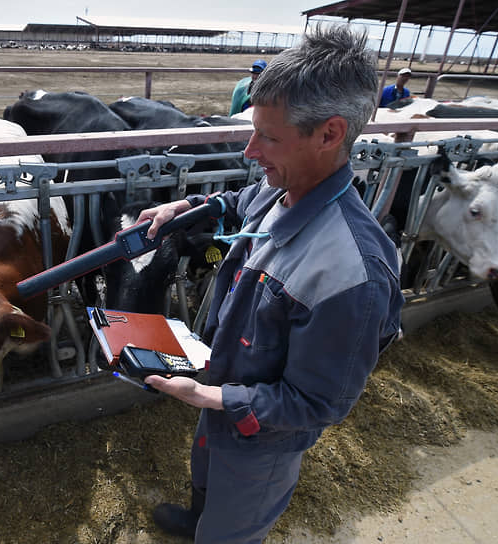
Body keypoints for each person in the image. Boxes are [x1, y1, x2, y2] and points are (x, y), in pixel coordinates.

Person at [138, 25, 404, 543]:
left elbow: (318, 404)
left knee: (235, 523)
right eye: (253, 130)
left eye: (269, 137)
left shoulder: (353, 272)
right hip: (222, 384)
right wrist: (187, 206)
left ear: (330, 134)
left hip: (263, 438)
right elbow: (239, 202)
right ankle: (200, 517)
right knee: (207, 472)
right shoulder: (281, 186)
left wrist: (213, 399)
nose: (250, 151)